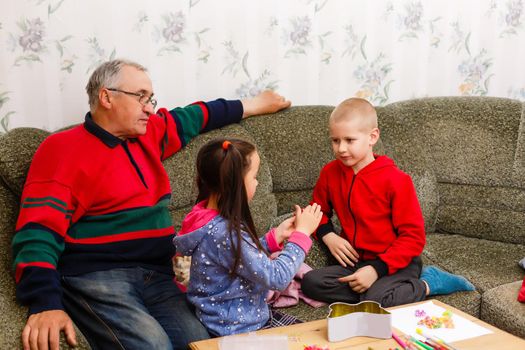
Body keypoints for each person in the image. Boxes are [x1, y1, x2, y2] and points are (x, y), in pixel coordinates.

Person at [12, 59, 291, 350]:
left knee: (200, 344)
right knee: (154, 346)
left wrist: (255, 104)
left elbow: (196, 115)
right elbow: (37, 231)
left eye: (151, 99)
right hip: (98, 276)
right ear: (106, 97)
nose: (150, 107)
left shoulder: (149, 134)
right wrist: (43, 302)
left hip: (156, 273)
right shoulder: (61, 149)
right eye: (141, 97)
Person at [301, 97, 475, 307]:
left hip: (396, 263)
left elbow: (413, 238)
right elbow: (315, 212)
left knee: (375, 300)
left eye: (349, 140)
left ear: (372, 137)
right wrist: (328, 235)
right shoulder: (330, 173)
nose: (341, 149)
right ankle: (372, 291)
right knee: (310, 283)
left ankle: (428, 282)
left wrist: (377, 269)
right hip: (355, 261)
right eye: (335, 140)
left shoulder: (397, 181)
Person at [173, 138, 323, 336]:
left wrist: (274, 237)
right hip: (238, 330)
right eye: (254, 176)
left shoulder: (205, 219)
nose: (258, 182)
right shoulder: (223, 232)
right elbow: (276, 277)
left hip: (226, 320)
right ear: (234, 183)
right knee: (313, 338)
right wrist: (302, 235)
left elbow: (238, 257)